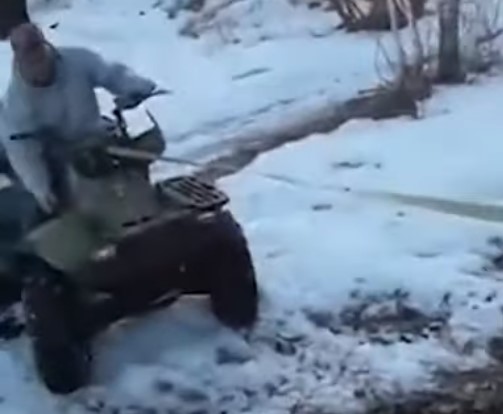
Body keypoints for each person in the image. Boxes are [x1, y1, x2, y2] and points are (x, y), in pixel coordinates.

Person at [0, 22, 159, 214]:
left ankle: (141, 200)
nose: (38, 63)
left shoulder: (77, 60)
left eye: (39, 52)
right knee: (82, 197)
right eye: (30, 58)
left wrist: (136, 88)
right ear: (19, 60)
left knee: (146, 146)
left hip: (96, 137)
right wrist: (41, 188)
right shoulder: (16, 105)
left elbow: (111, 73)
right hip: (60, 158)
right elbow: (23, 152)